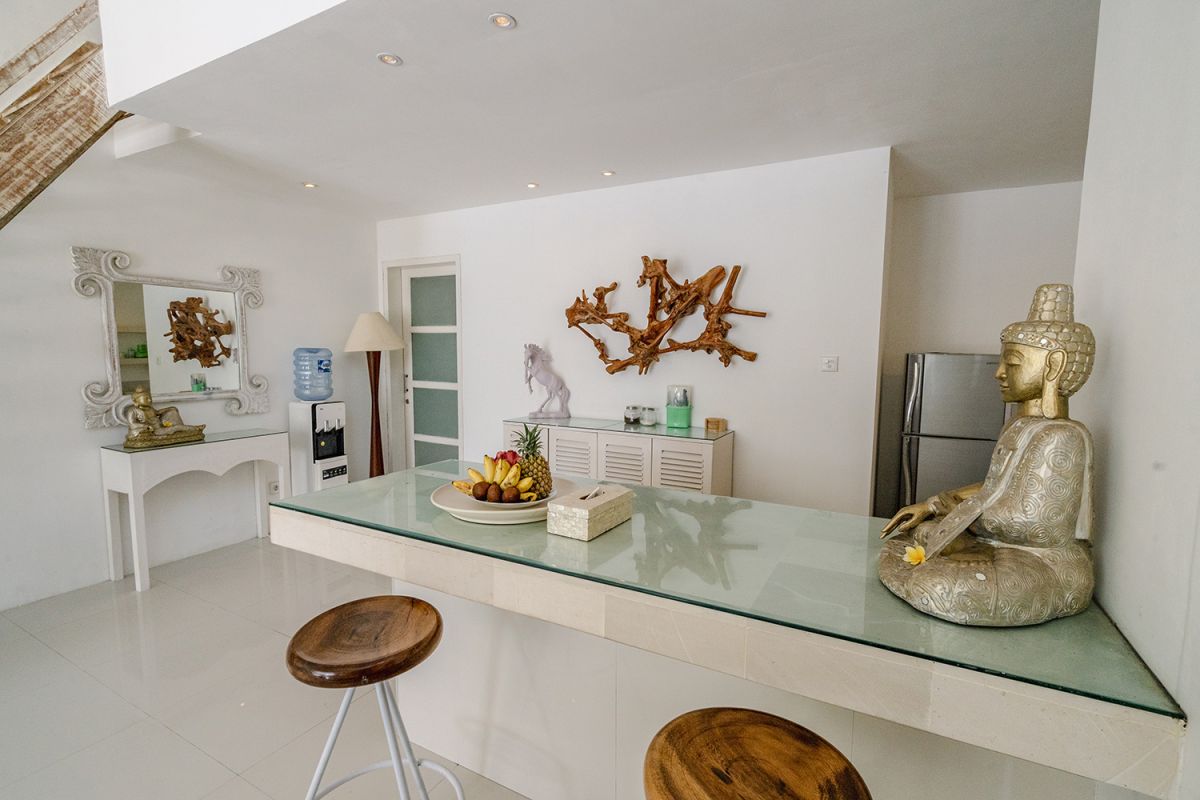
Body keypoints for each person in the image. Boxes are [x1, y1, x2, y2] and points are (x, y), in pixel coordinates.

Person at [878, 284, 1096, 626]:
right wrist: (932, 506)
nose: (998, 373)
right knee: (918, 537)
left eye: (1012, 363)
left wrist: (956, 512)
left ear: (1053, 366)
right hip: (999, 544)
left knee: (942, 585)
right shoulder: (1020, 426)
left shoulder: (1063, 436)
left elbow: (1037, 526)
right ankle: (962, 550)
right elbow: (996, 488)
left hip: (1042, 562)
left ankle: (962, 556)